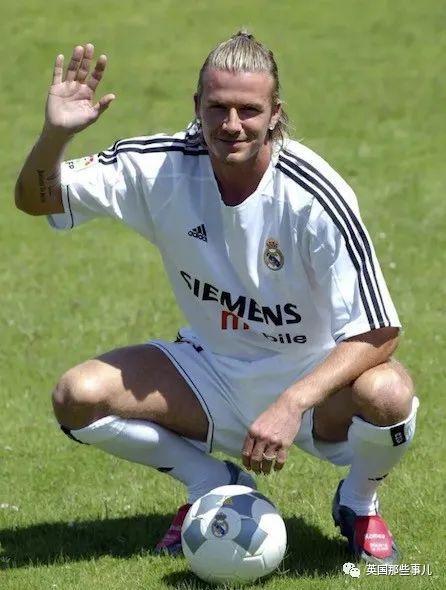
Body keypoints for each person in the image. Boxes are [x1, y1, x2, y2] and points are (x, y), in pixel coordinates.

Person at [15, 31, 418, 564]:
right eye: (217, 108)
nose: (231, 125)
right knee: (77, 396)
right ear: (196, 107)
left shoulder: (314, 196)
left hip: (314, 383)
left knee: (389, 393)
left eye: (249, 110)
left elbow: (379, 332)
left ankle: (359, 502)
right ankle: (210, 481)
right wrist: (54, 136)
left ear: (275, 114)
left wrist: (291, 402)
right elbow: (36, 201)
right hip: (210, 372)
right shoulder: (158, 166)